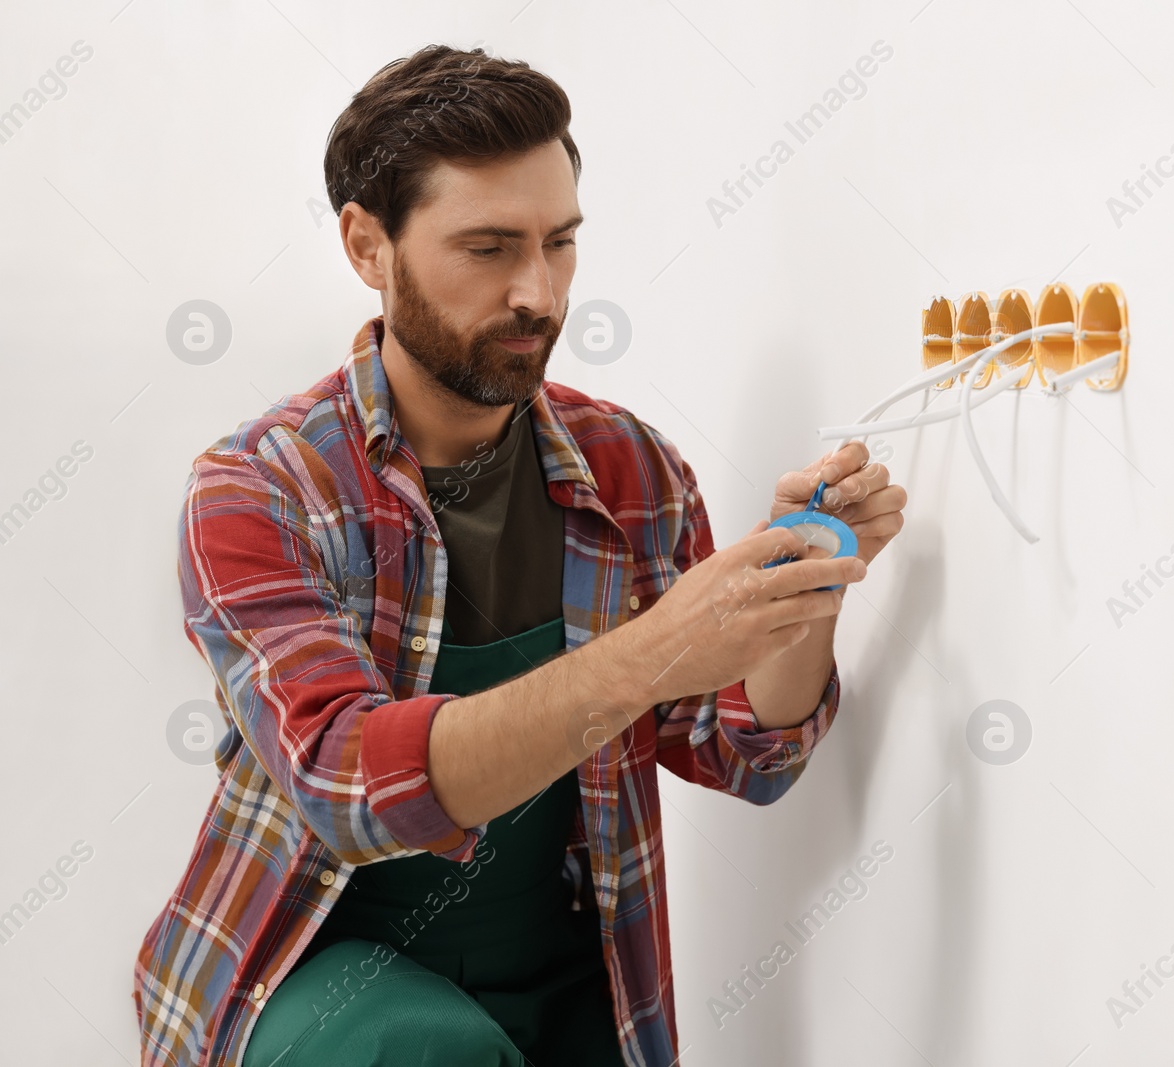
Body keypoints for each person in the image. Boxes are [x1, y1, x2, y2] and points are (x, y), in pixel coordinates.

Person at [131, 43, 907, 1067]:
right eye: (489, 248)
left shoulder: (631, 469)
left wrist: (797, 592)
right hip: (319, 974)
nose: (539, 293)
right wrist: (654, 651)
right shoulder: (261, 487)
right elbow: (350, 784)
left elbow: (745, 754)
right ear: (369, 246)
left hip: (566, 976)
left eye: (560, 242)